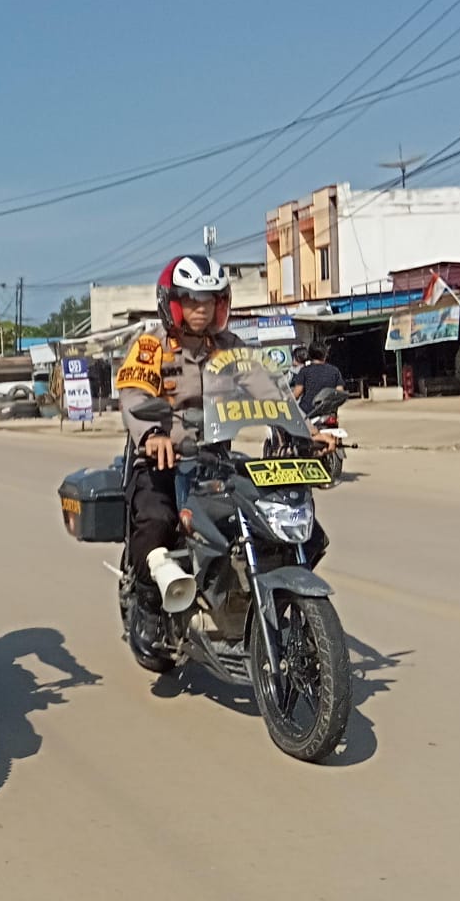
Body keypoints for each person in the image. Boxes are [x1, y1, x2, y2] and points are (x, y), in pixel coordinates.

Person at [117, 255, 336, 658]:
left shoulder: (232, 349)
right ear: (173, 302)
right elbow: (134, 394)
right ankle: (148, 606)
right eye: (193, 300)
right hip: (162, 457)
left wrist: (306, 430)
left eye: (211, 300)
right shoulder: (151, 346)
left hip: (214, 457)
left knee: (270, 514)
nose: (202, 309)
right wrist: (152, 434)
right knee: (157, 520)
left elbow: (269, 389)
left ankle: (252, 595)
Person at [292, 343, 345, 415]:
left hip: (307, 411)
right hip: (329, 412)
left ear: (310, 355)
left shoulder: (304, 371)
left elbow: (296, 393)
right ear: (325, 354)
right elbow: (339, 392)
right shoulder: (334, 371)